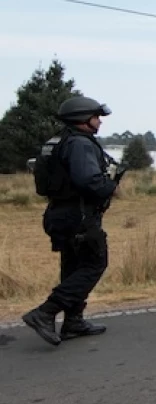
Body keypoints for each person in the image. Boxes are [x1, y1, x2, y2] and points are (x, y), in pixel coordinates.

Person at [22, 96, 118, 346]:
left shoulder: (58, 140)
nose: (99, 122)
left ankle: (73, 321)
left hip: (59, 213)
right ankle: (45, 312)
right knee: (94, 264)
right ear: (82, 118)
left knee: (73, 267)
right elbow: (89, 181)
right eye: (96, 117)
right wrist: (111, 185)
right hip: (79, 215)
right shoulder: (80, 144)